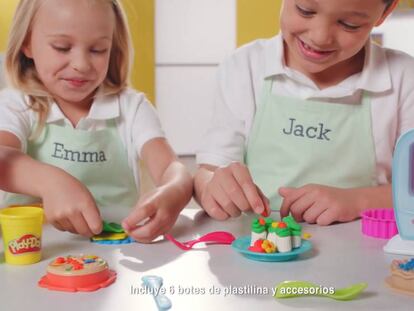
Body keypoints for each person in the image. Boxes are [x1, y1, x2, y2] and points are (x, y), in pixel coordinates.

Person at [194, 0, 414, 225]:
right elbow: (207, 173)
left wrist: (357, 201)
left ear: (386, 11)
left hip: (364, 248)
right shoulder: (244, 67)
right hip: (258, 248)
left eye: (349, 24)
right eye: (305, 10)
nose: (320, 37)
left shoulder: (404, 77)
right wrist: (214, 188)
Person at [0, 0, 193, 243]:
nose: (81, 64)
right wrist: (49, 182)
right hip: (31, 254)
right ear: (27, 43)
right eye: (62, 47)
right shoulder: (16, 103)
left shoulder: (131, 108)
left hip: (115, 256)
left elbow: (172, 170)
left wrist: (173, 192)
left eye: (97, 50)